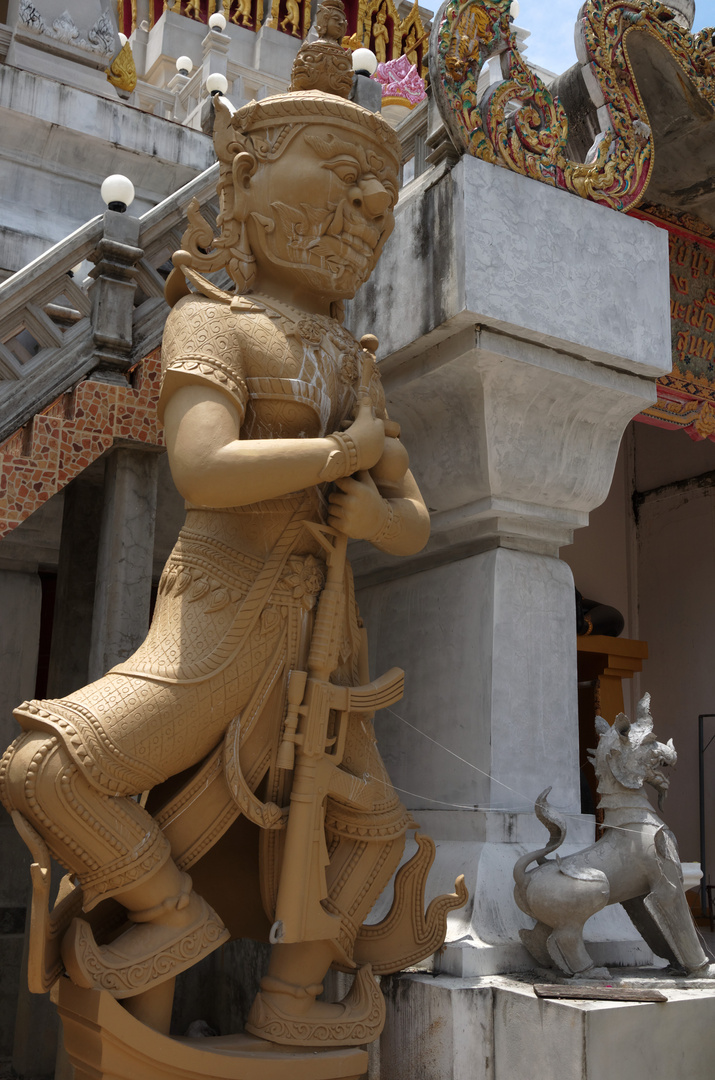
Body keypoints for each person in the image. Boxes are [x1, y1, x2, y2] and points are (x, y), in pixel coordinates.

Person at [0, 49, 432, 1047]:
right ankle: (164, 911)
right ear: (244, 178)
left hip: (323, 629)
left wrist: (374, 514)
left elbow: (407, 510)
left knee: (362, 834)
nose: (370, 200)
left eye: (382, 192)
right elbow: (199, 467)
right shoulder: (211, 318)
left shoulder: (348, 356)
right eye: (338, 164)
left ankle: (288, 1002)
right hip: (220, 608)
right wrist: (338, 452)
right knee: (42, 768)